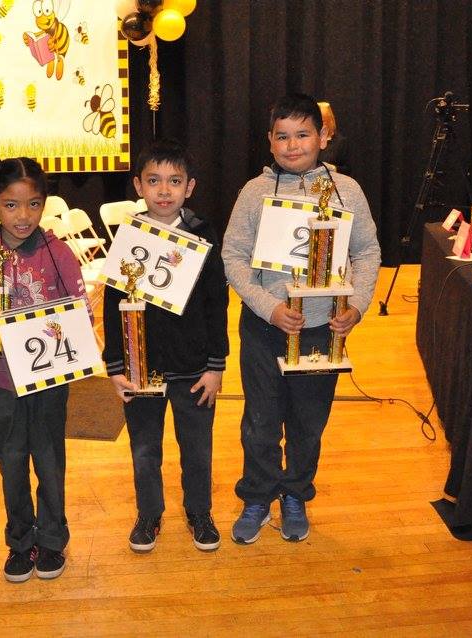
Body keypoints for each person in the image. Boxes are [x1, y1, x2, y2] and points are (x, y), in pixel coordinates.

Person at [221, 93, 380, 544]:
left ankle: (295, 494)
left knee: (309, 420)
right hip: (265, 326)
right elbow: (233, 255)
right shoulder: (254, 193)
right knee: (260, 421)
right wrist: (266, 306)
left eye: (303, 134)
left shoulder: (346, 190)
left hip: (321, 329)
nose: (293, 146)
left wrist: (358, 306)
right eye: (283, 137)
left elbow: (367, 251)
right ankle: (257, 495)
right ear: (269, 142)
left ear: (323, 136)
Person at [0, 157, 86, 583]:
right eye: (11, 205)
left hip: (48, 380)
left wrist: (72, 336)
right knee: (11, 461)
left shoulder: (58, 252)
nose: (23, 216)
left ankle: (52, 539)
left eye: (33, 204)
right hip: (0, 379)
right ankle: (20, 541)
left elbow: (80, 313)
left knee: (48, 457)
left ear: (45, 204)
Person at [102, 138, 229, 553]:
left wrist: (216, 364)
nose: (163, 190)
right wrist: (116, 364)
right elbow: (111, 303)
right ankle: (149, 515)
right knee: (144, 450)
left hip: (194, 368)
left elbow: (216, 301)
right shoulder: (129, 235)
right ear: (138, 185)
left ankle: (199, 512)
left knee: (197, 449)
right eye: (153, 181)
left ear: (189, 187)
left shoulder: (203, 233)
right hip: (142, 368)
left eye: (174, 181)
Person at [317, 101, 351, 176]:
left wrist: (332, 168)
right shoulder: (310, 139)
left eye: (323, 121)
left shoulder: (340, 142)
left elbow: (348, 170)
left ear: (329, 120)